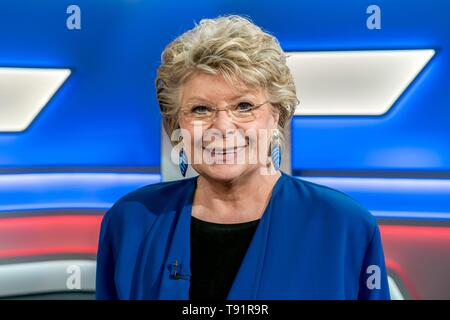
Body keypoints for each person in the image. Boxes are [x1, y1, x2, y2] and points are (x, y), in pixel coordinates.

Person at [95, 15, 390, 300]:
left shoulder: (344, 226)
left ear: (277, 115)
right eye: (201, 109)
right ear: (176, 124)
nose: (222, 127)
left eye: (244, 106)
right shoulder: (131, 222)